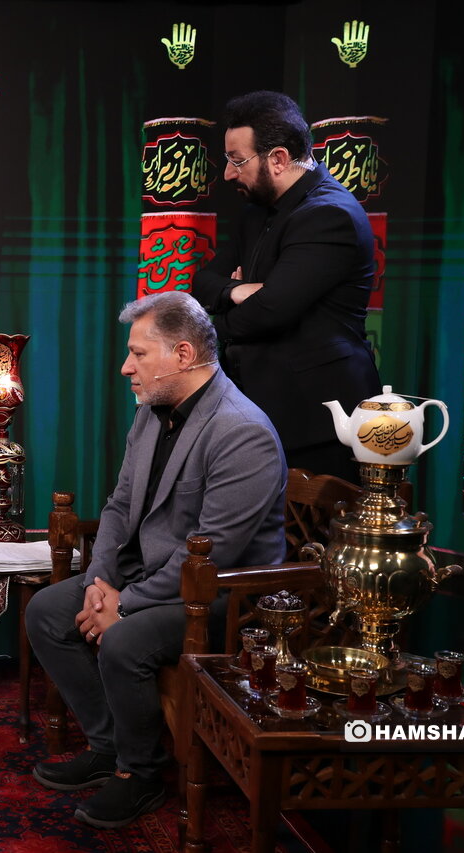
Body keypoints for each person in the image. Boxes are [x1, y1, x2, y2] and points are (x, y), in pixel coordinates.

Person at [26, 291, 286, 830]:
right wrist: (99, 580)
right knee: (47, 612)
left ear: (183, 354)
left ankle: (141, 775)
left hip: (222, 597)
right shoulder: (151, 412)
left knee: (125, 640)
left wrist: (124, 604)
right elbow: (120, 505)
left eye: (139, 354)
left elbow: (213, 556)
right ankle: (109, 748)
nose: (127, 367)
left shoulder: (242, 431)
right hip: (150, 577)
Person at [191, 90, 380, 483]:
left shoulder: (329, 215)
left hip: (316, 423)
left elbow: (268, 313)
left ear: (277, 159)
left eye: (237, 161)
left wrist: (208, 327)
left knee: (314, 525)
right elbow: (202, 281)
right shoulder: (254, 214)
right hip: (254, 411)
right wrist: (236, 291)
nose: (228, 174)